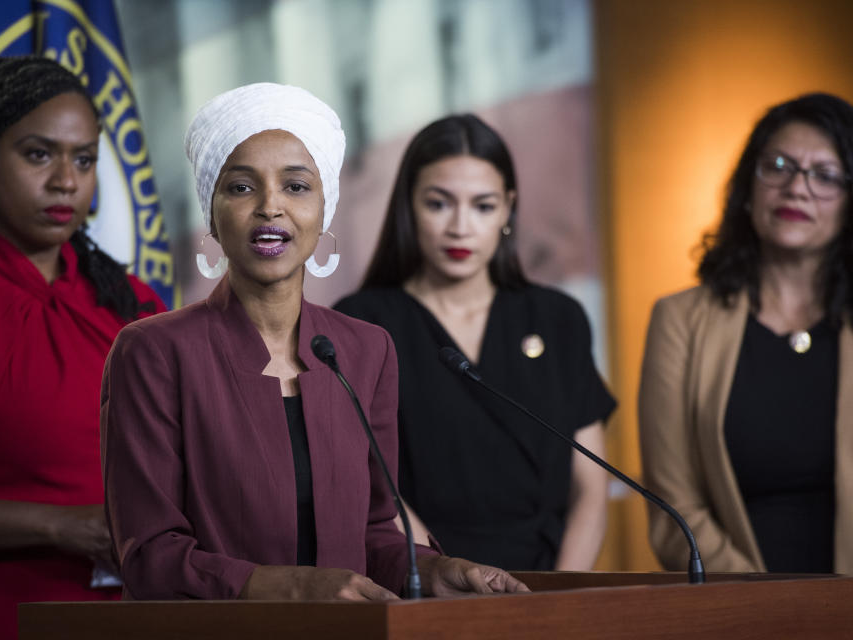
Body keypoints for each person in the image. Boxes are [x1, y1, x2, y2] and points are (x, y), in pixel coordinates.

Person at [101, 83, 528, 600]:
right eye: (240, 187)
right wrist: (296, 588)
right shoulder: (152, 352)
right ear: (210, 213)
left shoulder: (366, 350)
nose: (270, 207)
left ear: (325, 210)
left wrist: (436, 571)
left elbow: (374, 533)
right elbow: (150, 555)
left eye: (297, 187)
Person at [0, 56, 165, 640]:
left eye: (84, 158)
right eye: (39, 154)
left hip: (130, 616)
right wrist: (63, 528)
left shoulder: (134, 304)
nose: (66, 179)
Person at [334, 114, 615, 571]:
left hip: (545, 584)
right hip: (425, 582)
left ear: (508, 209)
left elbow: (591, 487)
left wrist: (560, 600)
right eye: (439, 204)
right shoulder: (363, 322)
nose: (460, 227)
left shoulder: (558, 318)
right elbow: (372, 485)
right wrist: (439, 575)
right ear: (409, 205)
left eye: (483, 206)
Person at [639, 93, 853, 574]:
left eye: (825, 175)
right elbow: (675, 509)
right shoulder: (679, 320)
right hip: (736, 610)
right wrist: (764, 606)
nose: (797, 188)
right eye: (778, 166)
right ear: (748, 186)